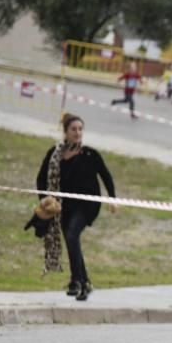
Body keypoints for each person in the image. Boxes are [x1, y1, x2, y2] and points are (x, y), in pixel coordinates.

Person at [35, 114, 116, 301]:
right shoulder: (54, 155)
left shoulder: (90, 154)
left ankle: (76, 281)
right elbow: (41, 178)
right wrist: (45, 200)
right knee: (72, 241)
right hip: (63, 206)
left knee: (72, 235)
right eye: (73, 129)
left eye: (80, 129)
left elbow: (106, 176)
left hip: (87, 205)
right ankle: (83, 282)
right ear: (65, 132)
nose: (77, 133)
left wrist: (112, 199)